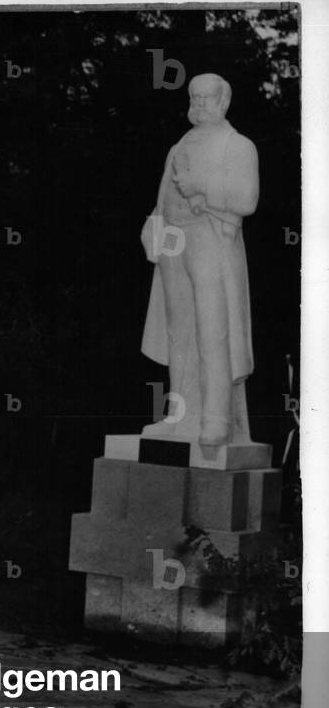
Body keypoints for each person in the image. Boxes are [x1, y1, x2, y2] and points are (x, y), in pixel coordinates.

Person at [140, 73, 259, 447]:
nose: (199, 104)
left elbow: (247, 200)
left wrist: (203, 189)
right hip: (174, 244)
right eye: (194, 97)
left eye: (207, 98)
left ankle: (215, 418)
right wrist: (154, 228)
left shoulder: (238, 146)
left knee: (213, 329)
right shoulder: (179, 145)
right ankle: (178, 416)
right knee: (179, 334)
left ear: (224, 101)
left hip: (211, 242)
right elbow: (163, 196)